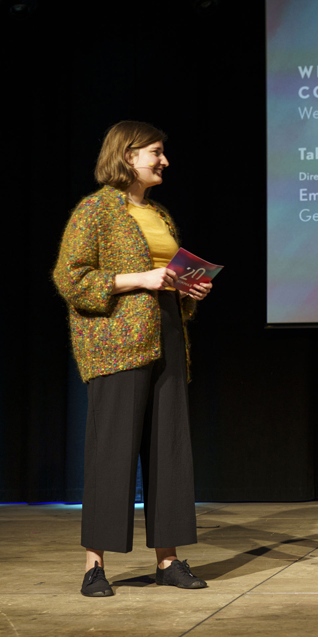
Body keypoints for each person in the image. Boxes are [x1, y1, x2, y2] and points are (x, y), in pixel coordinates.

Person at [53, 121, 213, 597]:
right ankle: (94, 566)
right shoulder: (95, 211)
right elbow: (71, 278)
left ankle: (168, 560)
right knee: (112, 452)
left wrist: (187, 289)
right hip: (117, 343)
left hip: (167, 333)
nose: (164, 161)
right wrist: (139, 279)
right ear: (128, 155)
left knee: (170, 450)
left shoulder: (159, 214)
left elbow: (165, 277)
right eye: (155, 153)